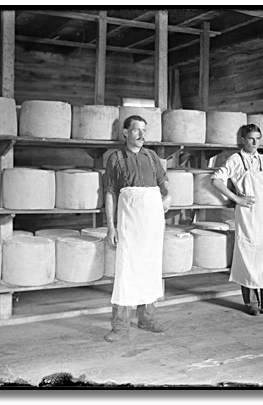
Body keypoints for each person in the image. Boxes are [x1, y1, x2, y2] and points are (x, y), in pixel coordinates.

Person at [211, 124, 263, 318]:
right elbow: (216, 180)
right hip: (247, 214)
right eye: (251, 138)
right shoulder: (235, 159)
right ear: (243, 139)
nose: (255, 142)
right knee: (247, 256)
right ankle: (251, 303)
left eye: (258, 138)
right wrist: (236, 198)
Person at [103, 115, 172, 342]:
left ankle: (147, 319)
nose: (142, 135)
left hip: (151, 220)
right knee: (126, 269)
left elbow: (164, 182)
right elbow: (110, 192)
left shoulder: (151, 156)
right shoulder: (115, 158)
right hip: (129, 220)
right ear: (125, 133)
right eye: (136, 131)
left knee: (151, 267)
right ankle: (120, 326)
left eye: (144, 131)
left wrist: (168, 196)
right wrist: (111, 227)